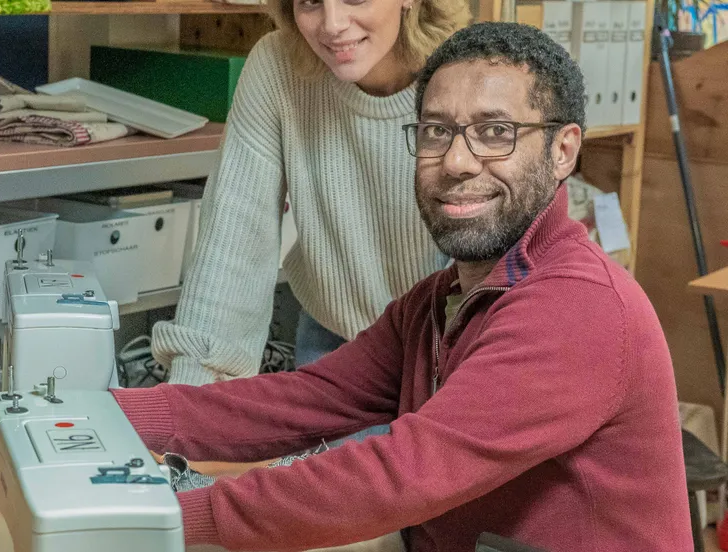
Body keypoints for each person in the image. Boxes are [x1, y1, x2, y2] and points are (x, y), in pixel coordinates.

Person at [113, 23, 692, 552]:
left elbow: (401, 472)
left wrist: (170, 517)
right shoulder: (441, 299)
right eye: (437, 131)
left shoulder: (575, 307)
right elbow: (302, 402)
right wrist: (101, 415)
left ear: (563, 150)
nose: (458, 160)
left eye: (495, 132)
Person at [152, 0, 471, 385]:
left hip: (456, 353)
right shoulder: (277, 66)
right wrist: (188, 410)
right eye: (310, 2)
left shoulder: (471, 74)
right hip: (337, 345)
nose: (332, 24)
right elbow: (233, 245)